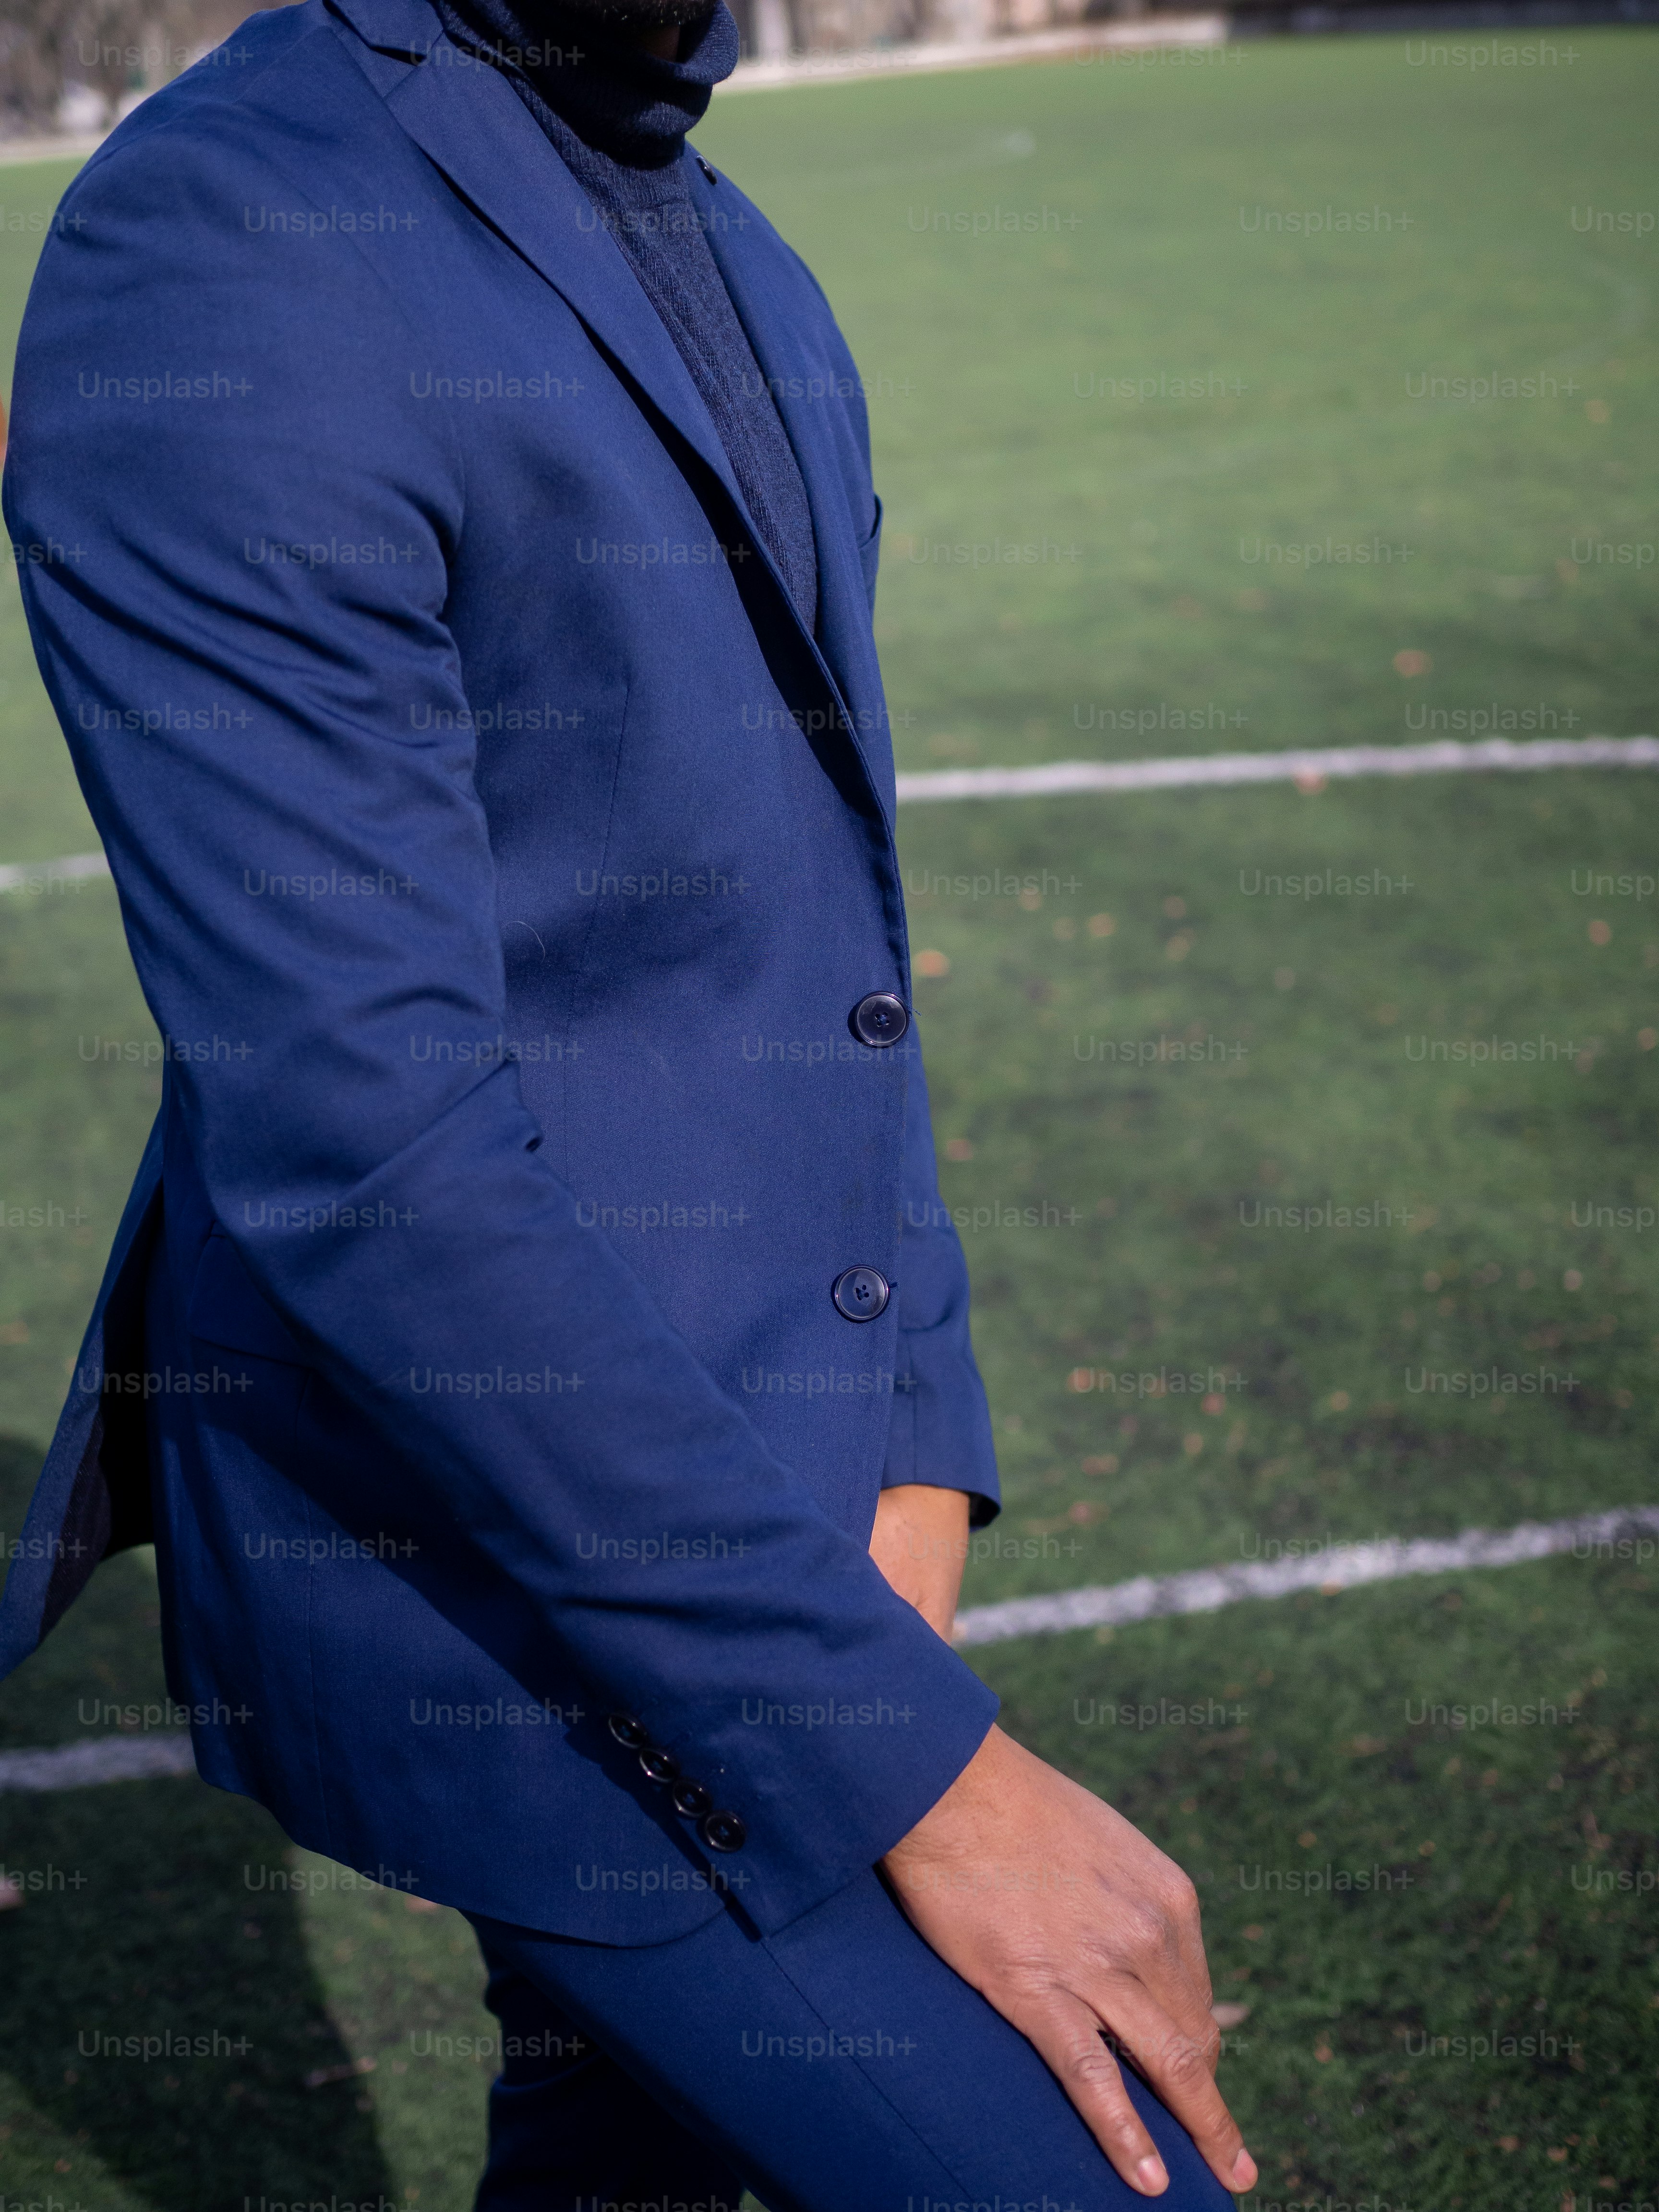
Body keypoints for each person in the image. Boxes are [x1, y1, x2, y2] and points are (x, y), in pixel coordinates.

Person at [0, 0, 1256, 2201]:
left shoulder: (741, 251)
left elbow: (823, 942)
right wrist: (910, 1766)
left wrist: (915, 1437)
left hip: (794, 1478)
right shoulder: (221, 243)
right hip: (497, 1558)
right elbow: (366, 1151)